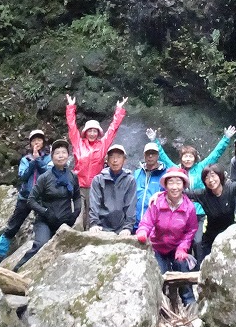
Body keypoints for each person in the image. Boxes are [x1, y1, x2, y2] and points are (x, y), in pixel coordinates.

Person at [152, 126, 235, 259]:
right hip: (181, 211)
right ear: (181, 158)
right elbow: (163, 157)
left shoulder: (201, 167)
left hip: (199, 212)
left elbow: (216, 154)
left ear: (195, 158)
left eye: (190, 156)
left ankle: (199, 266)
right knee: (184, 242)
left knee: (198, 241)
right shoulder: (176, 170)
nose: (188, 159)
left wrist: (226, 138)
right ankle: (185, 265)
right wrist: (154, 141)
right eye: (185, 156)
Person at [0, 128, 52, 270]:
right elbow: (22, 176)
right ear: (30, 143)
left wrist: (38, 160)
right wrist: (33, 161)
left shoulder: (48, 159)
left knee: (44, 225)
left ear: (43, 142)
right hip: (25, 197)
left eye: (39, 140)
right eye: (34, 140)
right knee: (13, 225)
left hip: (41, 198)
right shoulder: (25, 159)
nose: (37, 143)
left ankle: (37, 257)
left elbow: (48, 174)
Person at [15, 138, 81, 271]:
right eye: (57, 153)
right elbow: (31, 200)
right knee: (41, 245)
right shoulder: (45, 177)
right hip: (45, 220)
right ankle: (17, 269)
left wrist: (75, 213)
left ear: (68, 156)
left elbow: (77, 197)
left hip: (64, 221)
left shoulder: (72, 176)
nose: (61, 156)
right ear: (52, 157)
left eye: (63, 152)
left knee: (68, 251)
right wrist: (45, 212)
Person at [136, 167, 199, 307]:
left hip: (177, 247)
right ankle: (160, 305)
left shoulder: (189, 207)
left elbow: (191, 230)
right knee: (159, 273)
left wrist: (183, 247)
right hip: (158, 246)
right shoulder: (157, 202)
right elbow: (147, 222)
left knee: (182, 266)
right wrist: (143, 232)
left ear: (183, 185)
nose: (174, 187)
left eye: (178, 183)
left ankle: (189, 302)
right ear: (165, 185)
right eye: (171, 182)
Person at [66, 94, 128, 229]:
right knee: (78, 216)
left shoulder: (102, 145)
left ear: (98, 133)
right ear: (85, 132)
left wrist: (119, 110)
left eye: (95, 131)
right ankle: (76, 237)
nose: (92, 134)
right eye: (90, 131)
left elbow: (112, 130)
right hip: (79, 185)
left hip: (96, 186)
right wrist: (71, 107)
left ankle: (90, 237)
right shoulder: (78, 143)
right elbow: (72, 127)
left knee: (93, 216)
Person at [185, 164, 236, 259]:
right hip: (210, 238)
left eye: (213, 175)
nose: (210, 180)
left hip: (231, 234)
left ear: (220, 175)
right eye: (206, 178)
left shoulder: (231, 188)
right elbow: (182, 194)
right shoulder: (203, 195)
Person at [89, 144, 137, 235]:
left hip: (122, 228)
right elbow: (94, 203)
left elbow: (131, 205)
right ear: (107, 160)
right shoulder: (98, 180)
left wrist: (128, 227)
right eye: (112, 157)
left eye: (119, 157)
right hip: (101, 227)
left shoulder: (130, 180)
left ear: (124, 160)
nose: (115, 160)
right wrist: (94, 223)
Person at [133, 141, 168, 230]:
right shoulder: (137, 173)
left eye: (153, 153)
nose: (150, 156)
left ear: (158, 155)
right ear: (144, 155)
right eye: (148, 153)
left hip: (156, 226)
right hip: (135, 224)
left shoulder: (165, 174)